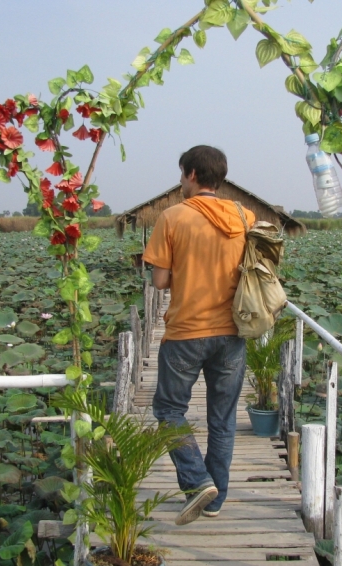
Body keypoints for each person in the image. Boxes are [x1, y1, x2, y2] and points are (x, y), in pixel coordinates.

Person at [143, 145, 255, 526]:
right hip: (233, 332)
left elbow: (159, 281)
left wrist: (185, 271)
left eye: (181, 174)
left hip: (186, 332)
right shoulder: (245, 215)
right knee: (222, 418)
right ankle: (215, 499)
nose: (180, 182)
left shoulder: (172, 217)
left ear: (191, 174)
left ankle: (196, 480)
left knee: (168, 410)